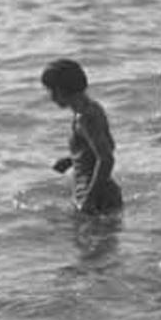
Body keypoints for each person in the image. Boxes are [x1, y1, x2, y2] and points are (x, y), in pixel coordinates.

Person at [42, 59, 123, 214]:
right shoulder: (93, 108)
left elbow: (106, 159)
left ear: (61, 89)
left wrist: (89, 199)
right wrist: (73, 159)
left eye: (51, 90)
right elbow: (109, 146)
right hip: (105, 194)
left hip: (93, 197)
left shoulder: (84, 118)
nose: (51, 97)